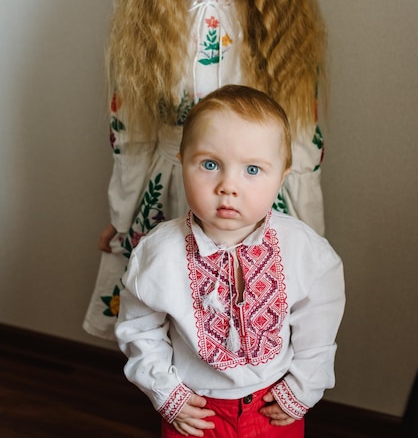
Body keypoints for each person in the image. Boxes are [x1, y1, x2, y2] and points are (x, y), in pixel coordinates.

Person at [83, 0, 327, 341]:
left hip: (258, 209)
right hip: (173, 195)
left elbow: (303, 142)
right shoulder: (150, 20)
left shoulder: (283, 20)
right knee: (175, 332)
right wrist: (122, 217)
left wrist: (309, 228)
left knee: (250, 333)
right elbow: (131, 136)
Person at [115, 85, 345, 438]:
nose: (228, 186)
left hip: (274, 404)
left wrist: (303, 388)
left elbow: (319, 327)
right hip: (194, 409)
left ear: (281, 177)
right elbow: (139, 328)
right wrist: (166, 392)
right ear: (182, 162)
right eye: (210, 164)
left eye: (252, 170)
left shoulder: (304, 250)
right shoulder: (159, 252)